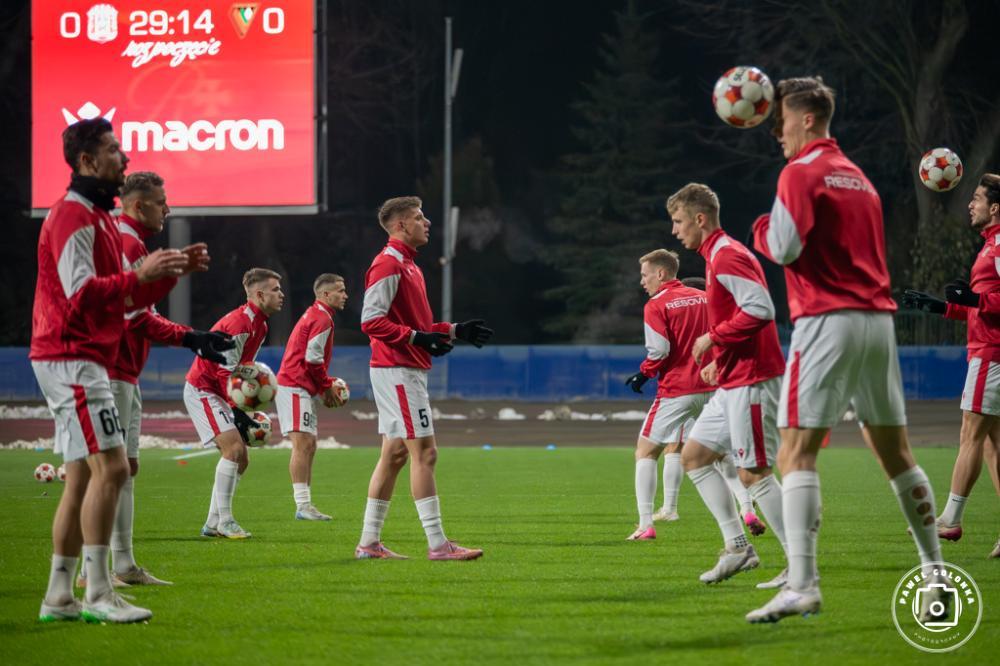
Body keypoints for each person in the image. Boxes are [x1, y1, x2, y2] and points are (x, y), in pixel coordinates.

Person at [749, 76, 943, 623]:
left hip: (826, 319)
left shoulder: (800, 171)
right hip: (877, 323)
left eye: (782, 120)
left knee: (795, 452)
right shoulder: (858, 177)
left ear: (808, 118)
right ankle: (935, 575)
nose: (777, 133)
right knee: (896, 454)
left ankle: (803, 584)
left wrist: (761, 230)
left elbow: (784, 246)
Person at [32, 118, 201, 623]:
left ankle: (60, 595)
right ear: (86, 161)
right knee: (114, 468)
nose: (122, 158)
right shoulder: (70, 216)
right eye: (111, 150)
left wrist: (161, 276)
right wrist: (141, 275)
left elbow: (126, 299)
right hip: (73, 357)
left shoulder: (99, 219)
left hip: (83, 357)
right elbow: (81, 293)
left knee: (83, 476)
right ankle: (100, 592)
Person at [76, 172, 233, 589]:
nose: (169, 209)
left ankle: (123, 567)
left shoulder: (130, 242)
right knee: (103, 472)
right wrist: (189, 337)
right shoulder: (125, 242)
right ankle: (92, 574)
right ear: (139, 206)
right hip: (109, 370)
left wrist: (190, 336)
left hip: (124, 371)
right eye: (162, 202)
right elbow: (132, 316)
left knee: (124, 469)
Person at [355, 196, 493, 560]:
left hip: (402, 368)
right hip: (398, 370)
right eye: (418, 217)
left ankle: (369, 544)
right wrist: (418, 338)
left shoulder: (409, 265)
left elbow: (415, 326)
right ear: (400, 225)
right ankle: (438, 545)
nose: (427, 222)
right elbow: (370, 321)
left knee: (395, 455)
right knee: (426, 453)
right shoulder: (388, 264)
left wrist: (453, 330)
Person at [669, 183, 789, 590]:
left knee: (754, 473)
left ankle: (800, 566)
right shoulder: (716, 255)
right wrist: (721, 359)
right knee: (695, 456)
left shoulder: (727, 255)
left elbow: (761, 308)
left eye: (679, 221)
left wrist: (713, 338)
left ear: (700, 219)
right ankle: (738, 547)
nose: (675, 230)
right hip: (735, 377)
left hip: (753, 379)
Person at [903, 173, 1000, 554]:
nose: (970, 204)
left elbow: (988, 307)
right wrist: (942, 307)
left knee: (970, 435)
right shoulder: (990, 247)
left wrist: (976, 302)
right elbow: (984, 309)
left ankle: (950, 521)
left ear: (995, 207)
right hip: (990, 349)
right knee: (992, 444)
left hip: (991, 355)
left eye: (976, 198)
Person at [184, 268, 285, 539]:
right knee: (233, 449)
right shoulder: (241, 324)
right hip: (203, 389)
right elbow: (224, 372)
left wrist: (249, 397)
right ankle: (226, 522)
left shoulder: (260, 324)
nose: (281, 295)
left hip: (218, 389)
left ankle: (212, 523)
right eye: (275, 289)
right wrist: (237, 409)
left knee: (242, 459)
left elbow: (241, 368)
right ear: (260, 294)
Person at [623, 250, 715, 539]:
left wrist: (644, 373)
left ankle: (645, 525)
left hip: (678, 389)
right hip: (712, 387)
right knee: (719, 455)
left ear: (661, 274)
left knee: (646, 451)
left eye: (645, 274)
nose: (642, 281)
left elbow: (659, 350)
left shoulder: (657, 304)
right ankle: (746, 510)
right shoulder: (704, 297)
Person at [275, 273, 349, 521]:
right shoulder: (321, 318)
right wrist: (326, 386)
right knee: (303, 444)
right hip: (294, 385)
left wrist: (321, 387)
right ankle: (303, 506)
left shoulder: (318, 314)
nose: (345, 295)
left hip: (298, 386)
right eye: (340, 290)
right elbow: (313, 359)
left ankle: (305, 506)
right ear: (326, 295)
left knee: (308, 444)